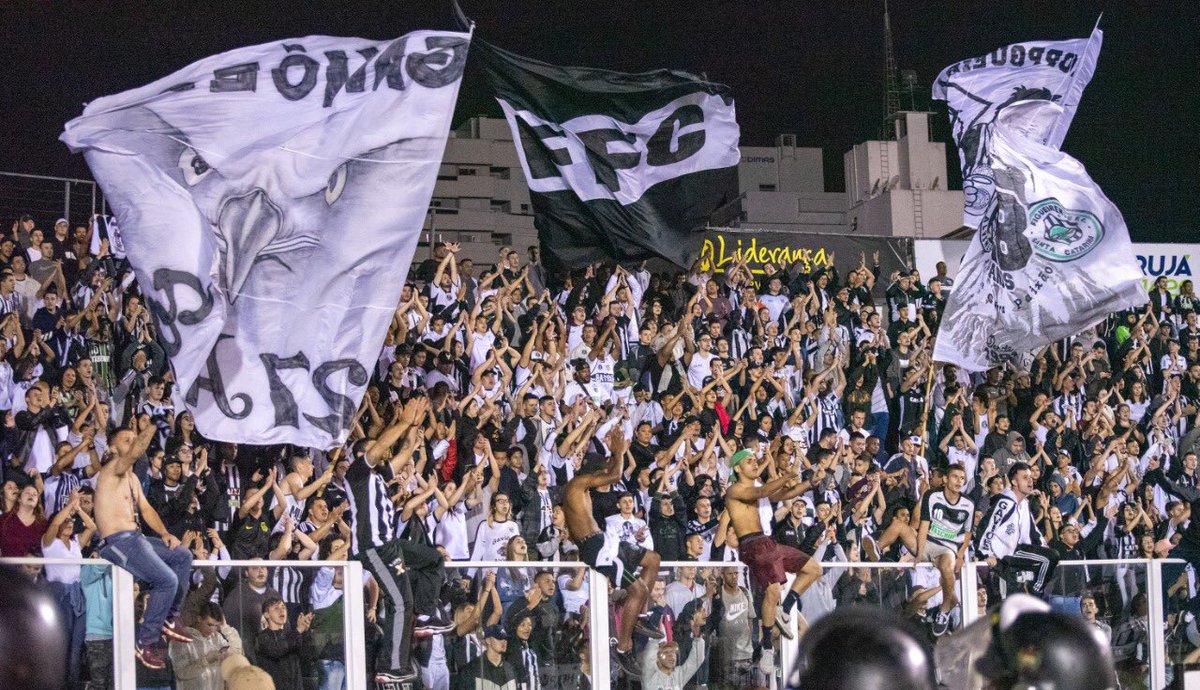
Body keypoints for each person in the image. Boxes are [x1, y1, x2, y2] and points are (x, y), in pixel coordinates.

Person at [93, 416, 194, 668]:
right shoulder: (111, 469)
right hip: (118, 542)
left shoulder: (133, 479)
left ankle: (169, 619)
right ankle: (145, 641)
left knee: (183, 555)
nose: (133, 442)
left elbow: (147, 510)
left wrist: (165, 534)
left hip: (137, 538)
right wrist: (152, 426)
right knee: (166, 580)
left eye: (133, 438)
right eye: (126, 440)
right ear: (112, 447)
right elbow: (136, 452)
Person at [563, 423, 662, 674]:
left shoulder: (581, 487)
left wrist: (616, 453)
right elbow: (615, 475)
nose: (603, 475)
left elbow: (611, 472)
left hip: (604, 542)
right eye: (601, 470)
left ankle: (638, 618)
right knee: (639, 590)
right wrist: (618, 451)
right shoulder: (577, 484)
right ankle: (623, 648)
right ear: (593, 471)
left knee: (653, 559)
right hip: (597, 548)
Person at [725, 448, 823, 642]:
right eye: (749, 461)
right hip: (751, 544)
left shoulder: (757, 488)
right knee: (774, 590)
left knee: (814, 569)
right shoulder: (734, 489)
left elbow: (786, 494)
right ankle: (767, 645)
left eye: (755, 460)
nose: (755, 463)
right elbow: (763, 492)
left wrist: (810, 482)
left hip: (766, 542)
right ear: (737, 468)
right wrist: (788, 475)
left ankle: (784, 610)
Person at [974, 463, 1059, 597]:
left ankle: (1034, 592)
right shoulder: (1004, 502)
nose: (1030, 481)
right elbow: (987, 528)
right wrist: (985, 554)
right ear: (1014, 482)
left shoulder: (1024, 504)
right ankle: (1035, 592)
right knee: (1050, 557)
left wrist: (1043, 548)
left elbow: (1033, 532)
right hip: (1003, 557)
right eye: (1025, 477)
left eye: (1030, 477)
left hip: (1016, 553)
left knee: (1051, 556)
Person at [168, 601, 243, 690]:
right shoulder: (181, 639)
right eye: (209, 625)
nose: (212, 629)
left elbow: (236, 653)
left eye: (216, 626)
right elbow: (181, 673)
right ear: (199, 619)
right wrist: (205, 661)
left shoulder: (217, 638)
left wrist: (225, 627)